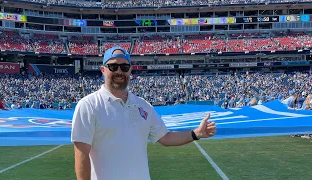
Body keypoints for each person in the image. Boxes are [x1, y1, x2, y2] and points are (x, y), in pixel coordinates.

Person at [71, 46, 217, 180]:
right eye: (113, 66)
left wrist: (196, 133)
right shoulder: (88, 105)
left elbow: (165, 137)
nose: (119, 71)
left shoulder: (143, 105)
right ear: (103, 70)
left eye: (124, 66)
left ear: (130, 70)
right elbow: (81, 153)